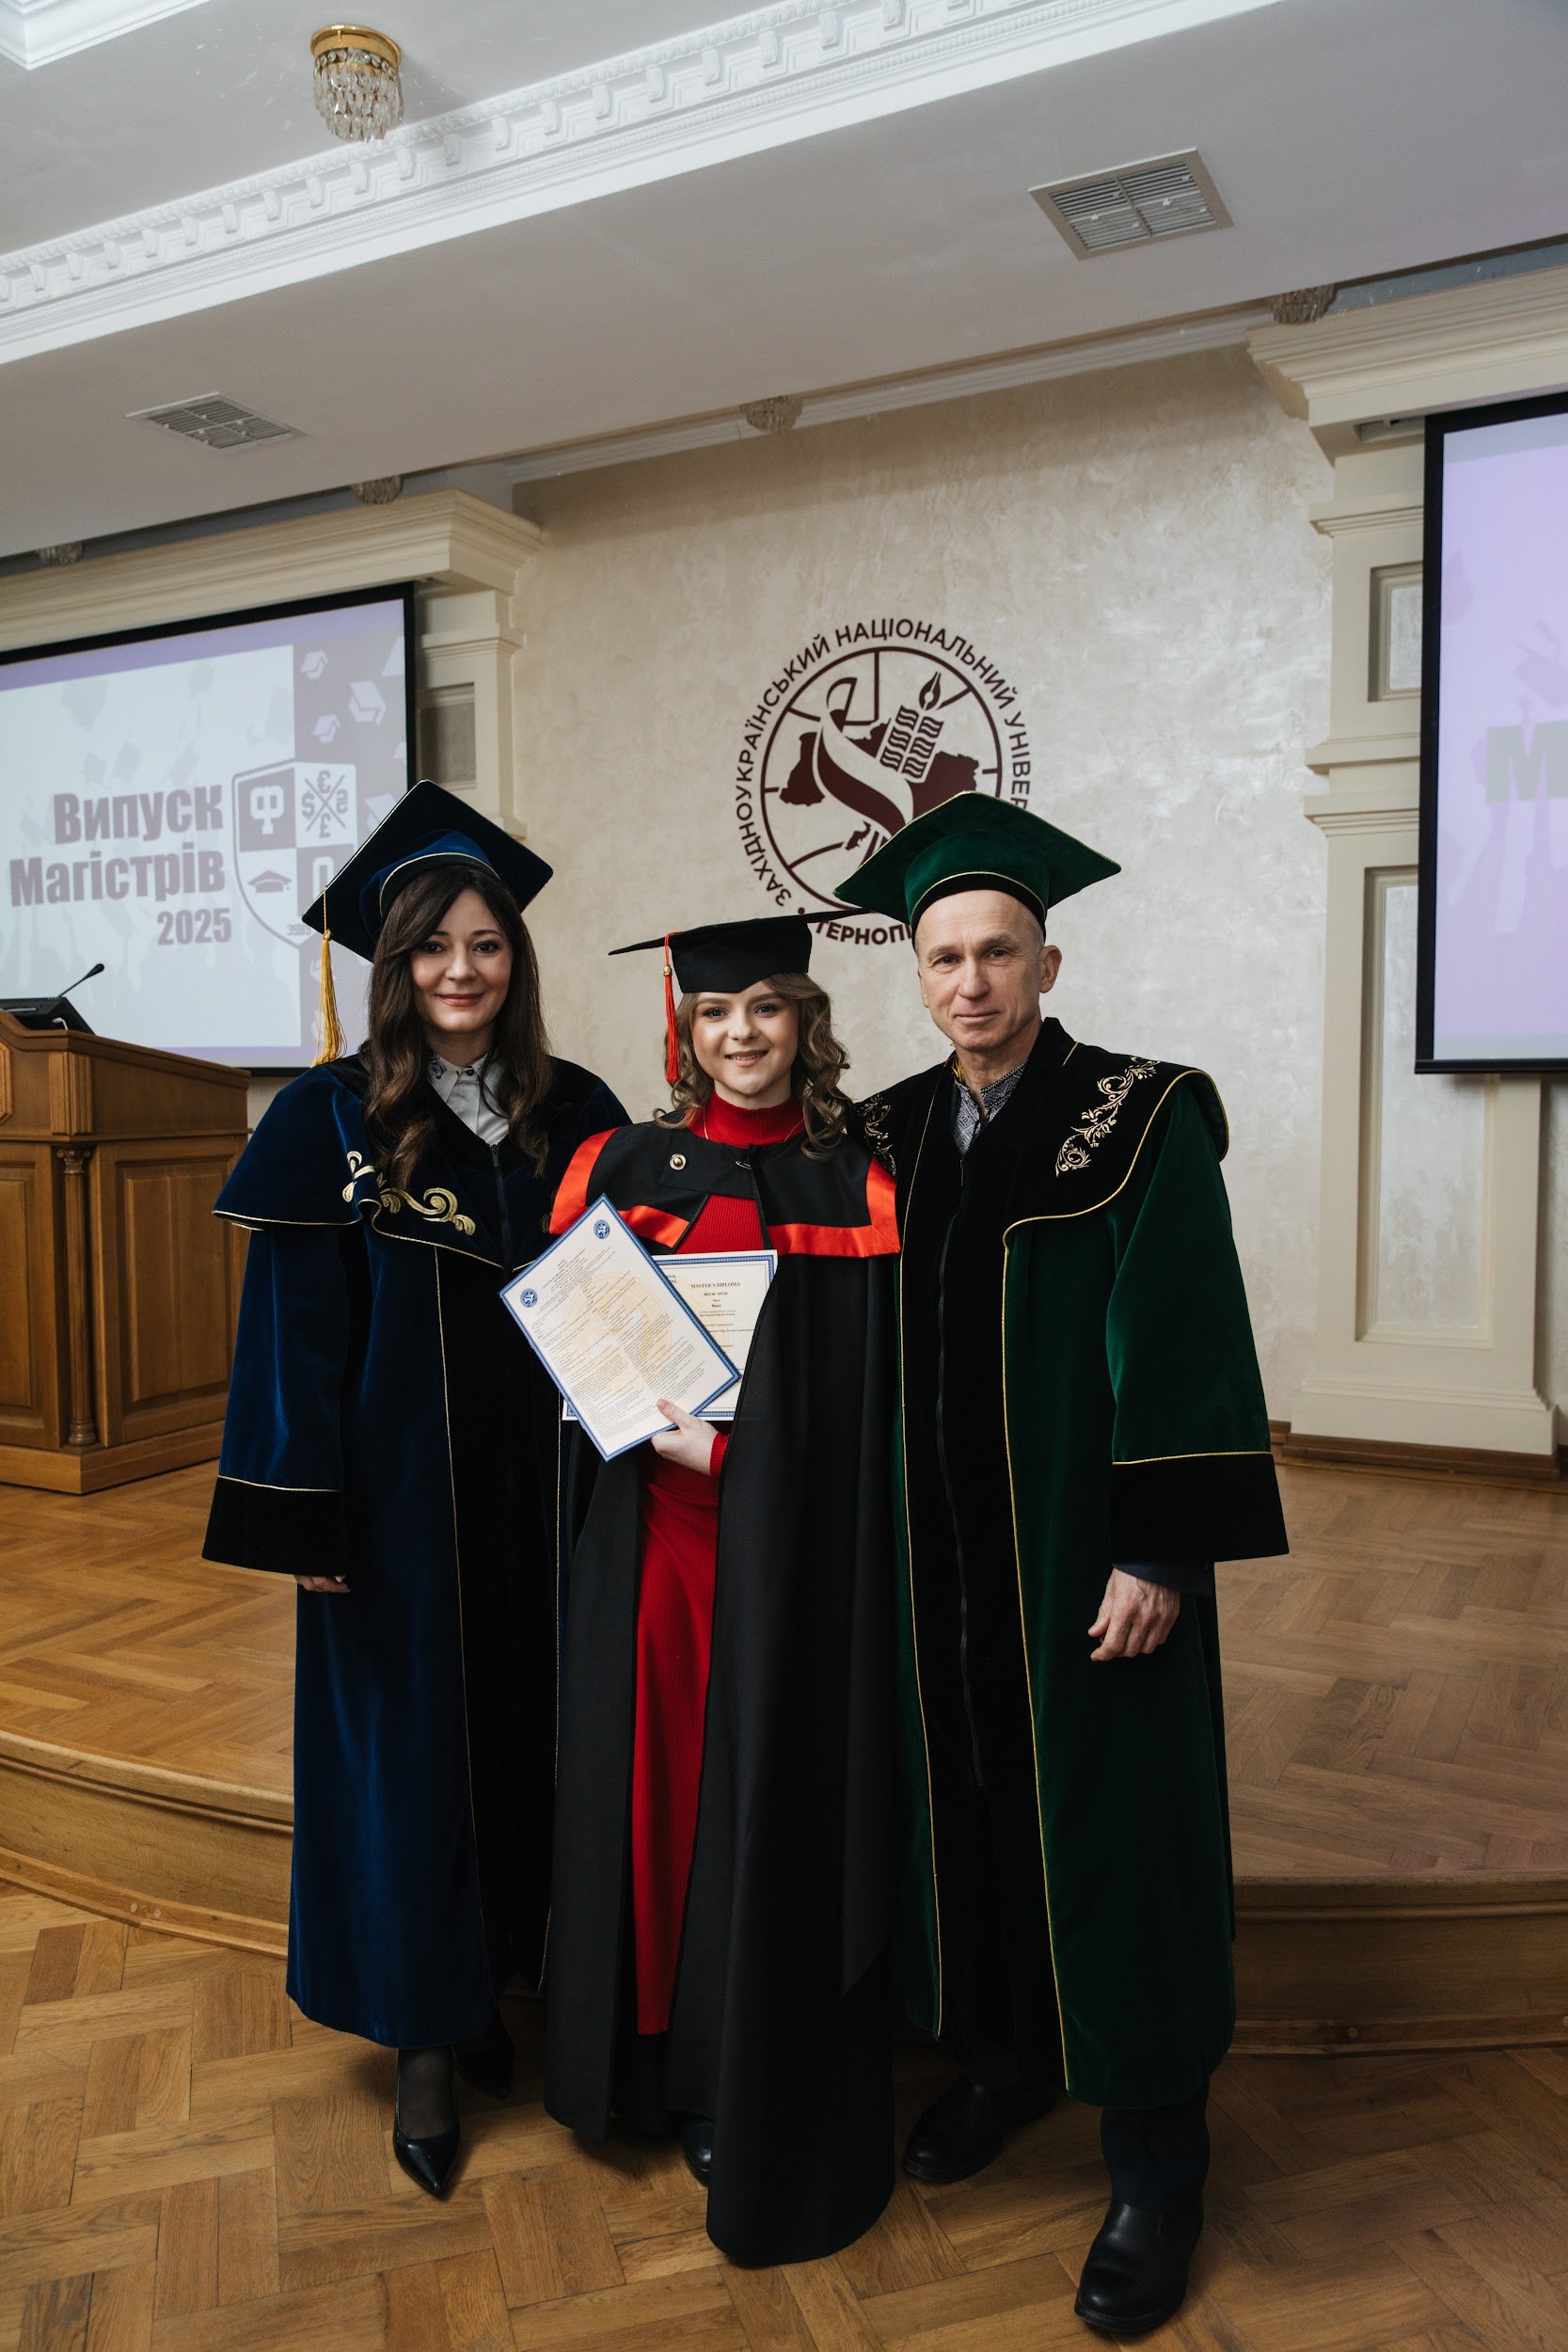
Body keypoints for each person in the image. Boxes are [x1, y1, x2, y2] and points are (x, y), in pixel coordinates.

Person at [835, 796, 1288, 2338]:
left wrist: (1161, 1549)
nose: (970, 982)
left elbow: (1185, 1337)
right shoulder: (885, 1135)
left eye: (997, 953)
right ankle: (1007, 2060)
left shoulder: (1142, 1118)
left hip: (1084, 1567)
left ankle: (1158, 2163)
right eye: (943, 957)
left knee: (1118, 1837)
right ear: (917, 973)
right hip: (936, 1571)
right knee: (966, 1813)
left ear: (1048, 962)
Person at [202, 782, 626, 2200]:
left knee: (532, 1735)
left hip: (552, 1498)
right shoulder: (328, 1118)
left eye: (486, 943)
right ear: (393, 966)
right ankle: (425, 2045)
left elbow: (621, 1298)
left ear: (517, 959)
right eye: (434, 946)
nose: (462, 969)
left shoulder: (574, 1110)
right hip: (396, 1511)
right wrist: (303, 1509)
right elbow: (294, 1334)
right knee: (409, 1764)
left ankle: (506, 1980)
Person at [543, 914, 900, 2266]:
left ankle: (721, 2067)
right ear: (682, 1032)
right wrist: (664, 1435)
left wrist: (743, 1461)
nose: (740, 1034)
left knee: (752, 1803)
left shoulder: (855, 1179)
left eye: (765, 1008)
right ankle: (633, 2059)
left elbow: (866, 1401)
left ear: (806, 1019)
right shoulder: (621, 1165)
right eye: (714, 1014)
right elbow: (585, 1343)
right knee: (651, 1797)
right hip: (654, 1537)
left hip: (794, 1551)